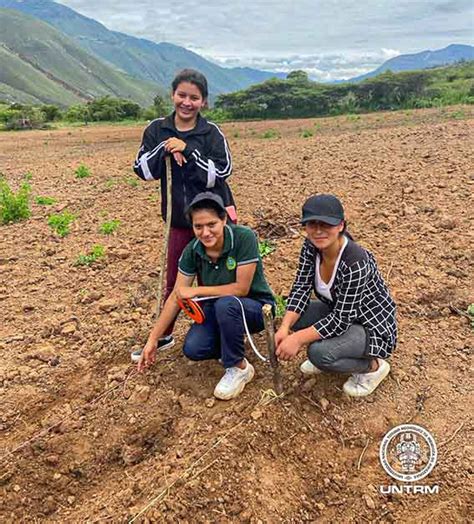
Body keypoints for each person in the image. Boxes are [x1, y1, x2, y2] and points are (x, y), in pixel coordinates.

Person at [132, 69, 235, 362]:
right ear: (172, 95)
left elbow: (221, 173)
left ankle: (227, 330)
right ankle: (163, 335)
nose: (187, 102)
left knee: (223, 274)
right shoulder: (157, 129)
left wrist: (188, 150)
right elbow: (142, 170)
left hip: (215, 218)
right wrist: (166, 148)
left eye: (194, 97)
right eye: (182, 95)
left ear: (203, 101)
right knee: (177, 279)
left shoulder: (211, 133)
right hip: (178, 219)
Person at [138, 192, 275, 400]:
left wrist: (196, 291)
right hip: (220, 309)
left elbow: (241, 289)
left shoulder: (243, 238)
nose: (205, 232)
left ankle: (238, 367)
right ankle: (230, 342)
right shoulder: (192, 250)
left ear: (224, 220)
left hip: (254, 308)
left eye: (212, 224)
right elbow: (177, 296)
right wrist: (153, 339)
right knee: (194, 348)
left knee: (227, 305)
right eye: (198, 227)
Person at [275, 194, 397, 397]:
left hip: (370, 325)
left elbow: (341, 319)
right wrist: (285, 327)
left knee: (318, 354)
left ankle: (373, 367)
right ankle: (336, 349)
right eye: (312, 224)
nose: (318, 231)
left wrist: (297, 339)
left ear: (341, 226)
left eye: (326, 224)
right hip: (338, 311)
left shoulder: (355, 262)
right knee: (299, 316)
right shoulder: (311, 247)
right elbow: (301, 287)